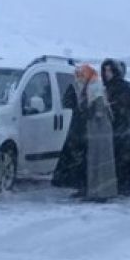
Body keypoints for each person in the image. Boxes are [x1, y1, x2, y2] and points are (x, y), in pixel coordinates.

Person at [101, 59, 130, 197]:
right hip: (112, 129)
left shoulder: (126, 87)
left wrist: (115, 107)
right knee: (116, 160)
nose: (106, 74)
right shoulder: (106, 88)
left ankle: (125, 186)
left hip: (125, 129)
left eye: (109, 70)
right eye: (104, 70)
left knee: (125, 160)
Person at [52, 65, 92, 195]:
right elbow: (66, 102)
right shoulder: (74, 87)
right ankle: (75, 183)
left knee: (83, 158)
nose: (80, 78)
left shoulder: (93, 89)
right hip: (77, 126)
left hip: (87, 128)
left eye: (82, 75)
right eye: (78, 75)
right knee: (75, 156)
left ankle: (82, 185)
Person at [82, 65, 118, 201]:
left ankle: (101, 193)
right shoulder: (94, 87)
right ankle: (97, 192)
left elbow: (98, 112)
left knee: (100, 161)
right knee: (97, 161)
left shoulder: (95, 89)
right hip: (97, 131)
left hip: (99, 131)